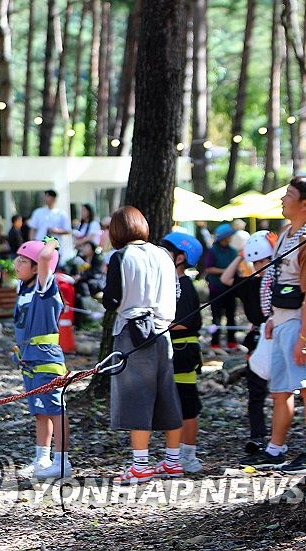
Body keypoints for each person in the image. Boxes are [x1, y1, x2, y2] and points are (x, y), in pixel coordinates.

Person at [246, 176, 306, 474]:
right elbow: (279, 279)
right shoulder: (285, 233)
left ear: (305, 204)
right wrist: (270, 318)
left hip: (299, 323)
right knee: (280, 390)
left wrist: (304, 338)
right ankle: (275, 450)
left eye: (289, 194)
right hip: (279, 321)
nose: (283, 199)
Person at [102, 206, 184, 485]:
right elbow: (177, 291)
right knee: (167, 395)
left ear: (116, 231)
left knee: (137, 398)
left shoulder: (121, 257)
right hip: (163, 333)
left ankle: (140, 466)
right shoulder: (163, 254)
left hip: (132, 334)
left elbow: (112, 300)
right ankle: (173, 461)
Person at [11, 238, 69, 479]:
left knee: (56, 409)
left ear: (37, 268)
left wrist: (51, 242)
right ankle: (42, 458)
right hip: (29, 360)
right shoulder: (23, 289)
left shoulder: (44, 287)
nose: (16, 263)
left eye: (23, 260)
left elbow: (46, 257)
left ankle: (63, 461)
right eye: (17, 258)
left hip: (46, 358)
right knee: (39, 410)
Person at [227, 231, 278, 453]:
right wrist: (241, 256)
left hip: (279, 335)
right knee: (256, 391)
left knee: (281, 390)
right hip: (257, 339)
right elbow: (226, 280)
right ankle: (257, 436)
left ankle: (278, 440)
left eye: (264, 261)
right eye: (256, 261)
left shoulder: (280, 280)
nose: (260, 265)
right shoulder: (250, 284)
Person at [161, 231, 206, 473]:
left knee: (187, 403)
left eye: (167, 250)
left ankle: (188, 455)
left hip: (184, 350)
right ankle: (175, 455)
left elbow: (186, 322)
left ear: (180, 258)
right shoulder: (169, 284)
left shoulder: (185, 286)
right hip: (173, 349)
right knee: (174, 402)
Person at [203, 223, 241, 350]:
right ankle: (215, 343)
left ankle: (232, 341)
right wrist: (226, 271)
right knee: (216, 317)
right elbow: (209, 269)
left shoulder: (233, 251)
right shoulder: (212, 251)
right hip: (216, 288)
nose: (230, 238)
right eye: (228, 236)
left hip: (230, 288)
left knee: (231, 315)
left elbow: (237, 267)